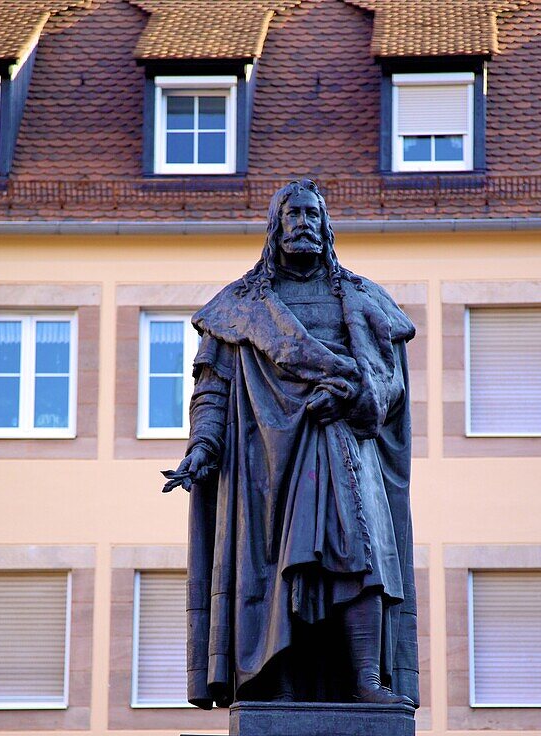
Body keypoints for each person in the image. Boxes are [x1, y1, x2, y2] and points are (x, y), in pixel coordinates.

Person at [162, 179, 419, 709]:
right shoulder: (241, 306)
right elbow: (213, 386)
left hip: (345, 449)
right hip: (264, 462)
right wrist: (203, 448)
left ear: (327, 228)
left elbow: (390, 383)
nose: (302, 222)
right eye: (292, 214)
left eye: (312, 214)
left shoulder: (365, 300)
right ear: (275, 228)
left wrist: (349, 396)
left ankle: (366, 680)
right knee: (272, 565)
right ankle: (271, 682)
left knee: (361, 557)